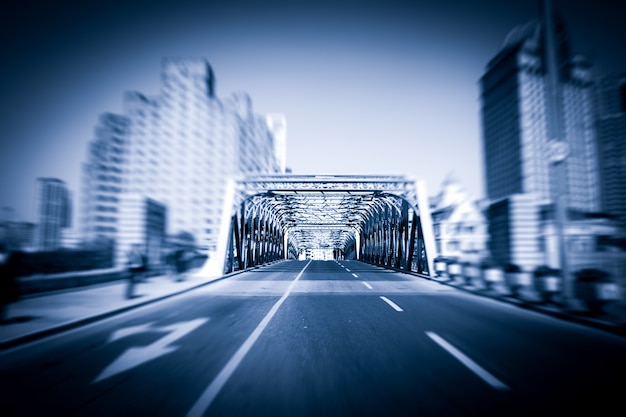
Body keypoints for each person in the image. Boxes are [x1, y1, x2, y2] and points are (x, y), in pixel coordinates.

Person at [0, 245, 20, 324]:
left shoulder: (7, 257)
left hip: (4, 284)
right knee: (3, 303)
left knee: (3, 303)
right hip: (5, 284)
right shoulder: (8, 257)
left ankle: (2, 318)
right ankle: (2, 318)